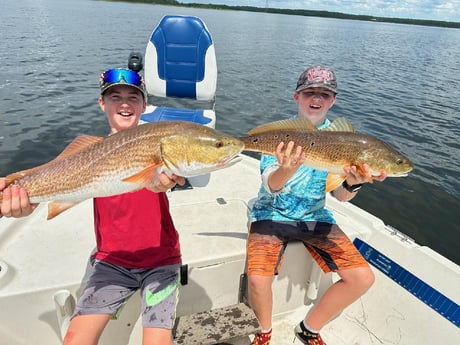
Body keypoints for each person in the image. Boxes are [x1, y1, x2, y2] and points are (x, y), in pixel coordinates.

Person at [0, 68, 185, 345]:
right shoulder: (89, 151)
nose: (124, 104)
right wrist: (23, 201)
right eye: (115, 97)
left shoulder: (158, 143)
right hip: (112, 264)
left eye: (133, 97)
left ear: (144, 105)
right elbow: (55, 182)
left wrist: (165, 182)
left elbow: (161, 181)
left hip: (162, 262)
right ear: (102, 104)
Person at [247, 66, 387, 345]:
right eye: (310, 92)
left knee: (362, 278)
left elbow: (341, 197)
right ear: (296, 96)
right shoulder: (281, 134)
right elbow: (270, 186)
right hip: (271, 212)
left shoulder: (345, 141)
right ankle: (264, 332)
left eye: (324, 94)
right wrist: (287, 168)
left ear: (332, 100)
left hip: (315, 216)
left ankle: (310, 327)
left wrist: (353, 182)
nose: (317, 99)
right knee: (257, 278)